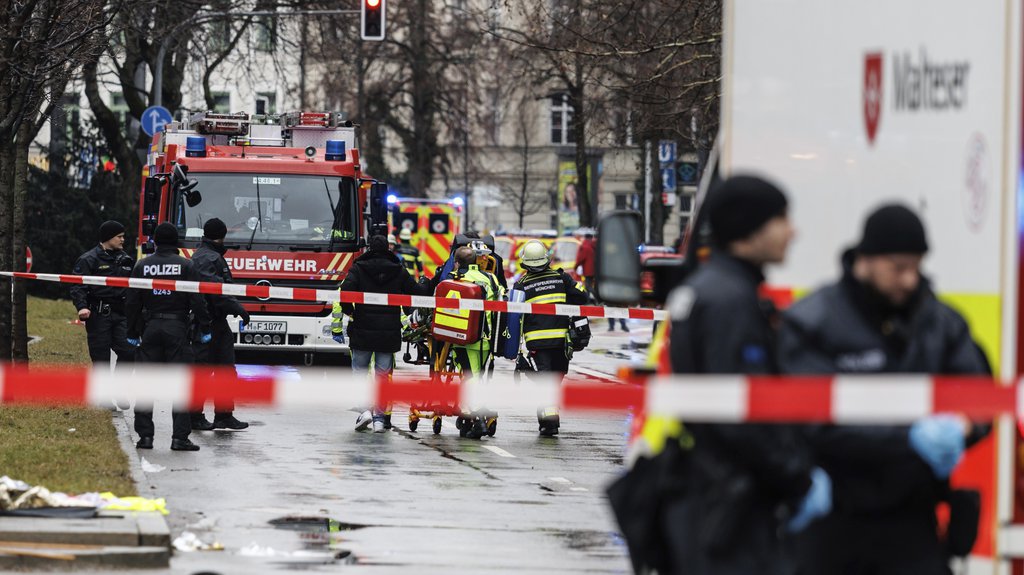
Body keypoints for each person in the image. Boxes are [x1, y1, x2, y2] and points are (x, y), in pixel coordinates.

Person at [778, 204, 987, 575]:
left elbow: (979, 396)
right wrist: (909, 438)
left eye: (916, 266)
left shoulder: (940, 324)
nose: (910, 279)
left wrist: (963, 425)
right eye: (898, 267)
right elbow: (809, 416)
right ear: (867, 259)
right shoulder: (814, 322)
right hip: (833, 519)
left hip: (911, 520)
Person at [659, 175, 829, 574]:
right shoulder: (730, 302)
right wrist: (797, 479)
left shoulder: (708, 288)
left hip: (712, 492)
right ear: (748, 229)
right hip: (735, 503)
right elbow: (740, 413)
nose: (793, 231)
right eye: (781, 219)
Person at [126, 223, 212, 452]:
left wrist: (132, 332)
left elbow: (133, 301)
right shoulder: (186, 265)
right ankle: (179, 438)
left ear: (154, 240)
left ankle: (145, 437)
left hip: (151, 327)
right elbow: (197, 299)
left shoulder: (142, 265)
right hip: (177, 328)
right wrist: (205, 327)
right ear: (177, 242)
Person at [332, 235, 426, 432]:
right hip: (388, 333)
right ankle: (380, 419)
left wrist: (350, 312)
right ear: (388, 248)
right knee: (383, 377)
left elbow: (345, 291)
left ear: (369, 248)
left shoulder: (359, 268)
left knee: (359, 373)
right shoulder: (398, 269)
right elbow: (415, 291)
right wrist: (429, 285)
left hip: (362, 330)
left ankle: (364, 411)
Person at [514, 239, 589, 436]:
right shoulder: (561, 279)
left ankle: (549, 421)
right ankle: (550, 420)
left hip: (537, 343)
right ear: (547, 260)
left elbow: (512, 317)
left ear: (525, 263)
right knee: (554, 380)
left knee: (544, 380)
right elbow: (583, 297)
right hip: (561, 343)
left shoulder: (521, 285)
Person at [189, 218, 251, 432]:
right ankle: (195, 416)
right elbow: (216, 292)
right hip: (206, 323)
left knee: (224, 370)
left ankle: (224, 416)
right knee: (204, 371)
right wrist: (239, 309)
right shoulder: (209, 258)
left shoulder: (206, 255)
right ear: (222, 235)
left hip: (215, 322)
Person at [446, 244, 504, 439]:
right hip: (486, 340)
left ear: (456, 263)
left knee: (470, 379)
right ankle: (469, 418)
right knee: (477, 378)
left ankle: (477, 420)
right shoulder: (491, 278)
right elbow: (502, 300)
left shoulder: (455, 279)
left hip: (464, 339)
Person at [70, 220, 136, 369]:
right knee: (101, 362)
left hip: (121, 315)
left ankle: (117, 390)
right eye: (119, 236)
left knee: (130, 352)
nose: (122, 240)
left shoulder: (126, 260)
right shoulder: (88, 259)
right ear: (108, 237)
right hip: (99, 317)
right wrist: (81, 307)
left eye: (123, 236)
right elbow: (77, 285)